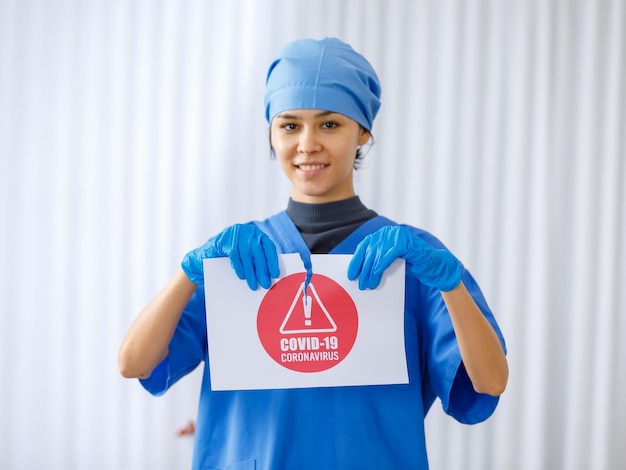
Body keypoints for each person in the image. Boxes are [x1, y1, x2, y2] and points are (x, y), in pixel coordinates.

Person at [118, 37, 508, 469]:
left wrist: (450, 282)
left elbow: (489, 382)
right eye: (289, 125)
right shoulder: (236, 261)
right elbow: (134, 362)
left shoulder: (411, 261)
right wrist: (191, 270)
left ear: (362, 131)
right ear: (270, 131)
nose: (307, 144)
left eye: (329, 124)